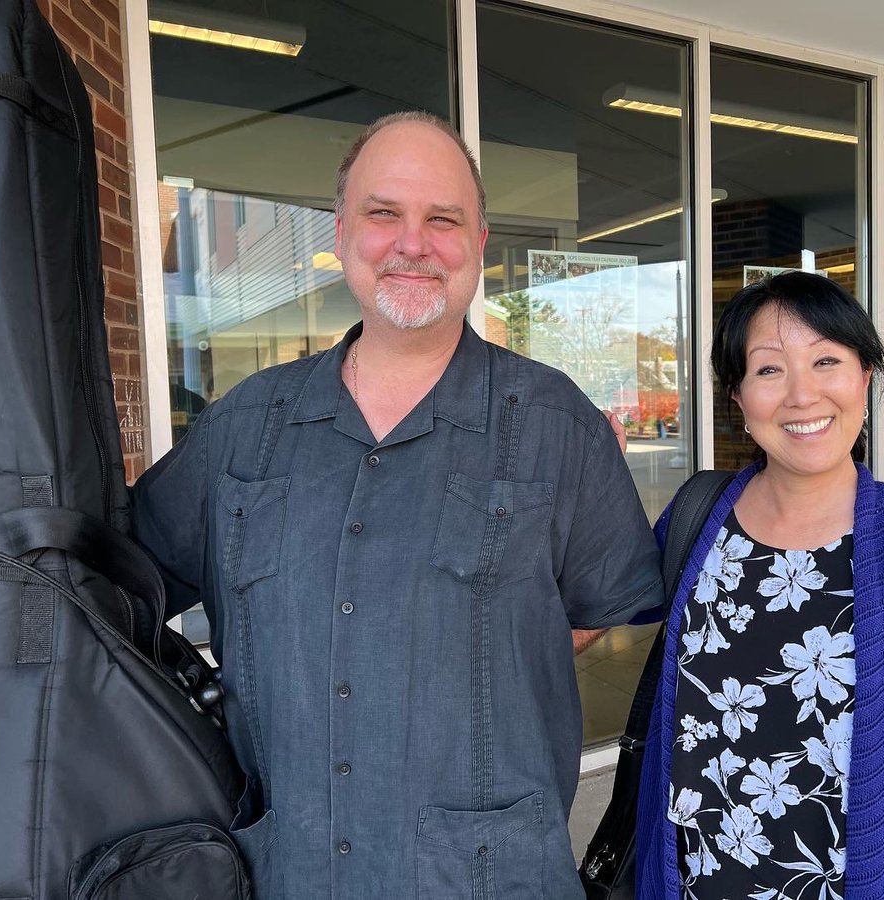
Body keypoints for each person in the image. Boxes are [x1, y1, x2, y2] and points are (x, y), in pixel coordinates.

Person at [131, 111, 662, 898]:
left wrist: (460, 652)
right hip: (289, 871)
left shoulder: (558, 425)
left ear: (478, 242)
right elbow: (119, 587)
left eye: (443, 219)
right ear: (343, 233)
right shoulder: (242, 428)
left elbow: (595, 612)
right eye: (384, 213)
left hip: (488, 879)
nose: (413, 243)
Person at [634, 272, 884, 899]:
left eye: (826, 361)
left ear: (865, 376)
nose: (802, 395)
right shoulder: (698, 518)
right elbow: (605, 599)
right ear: (738, 396)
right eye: (769, 369)